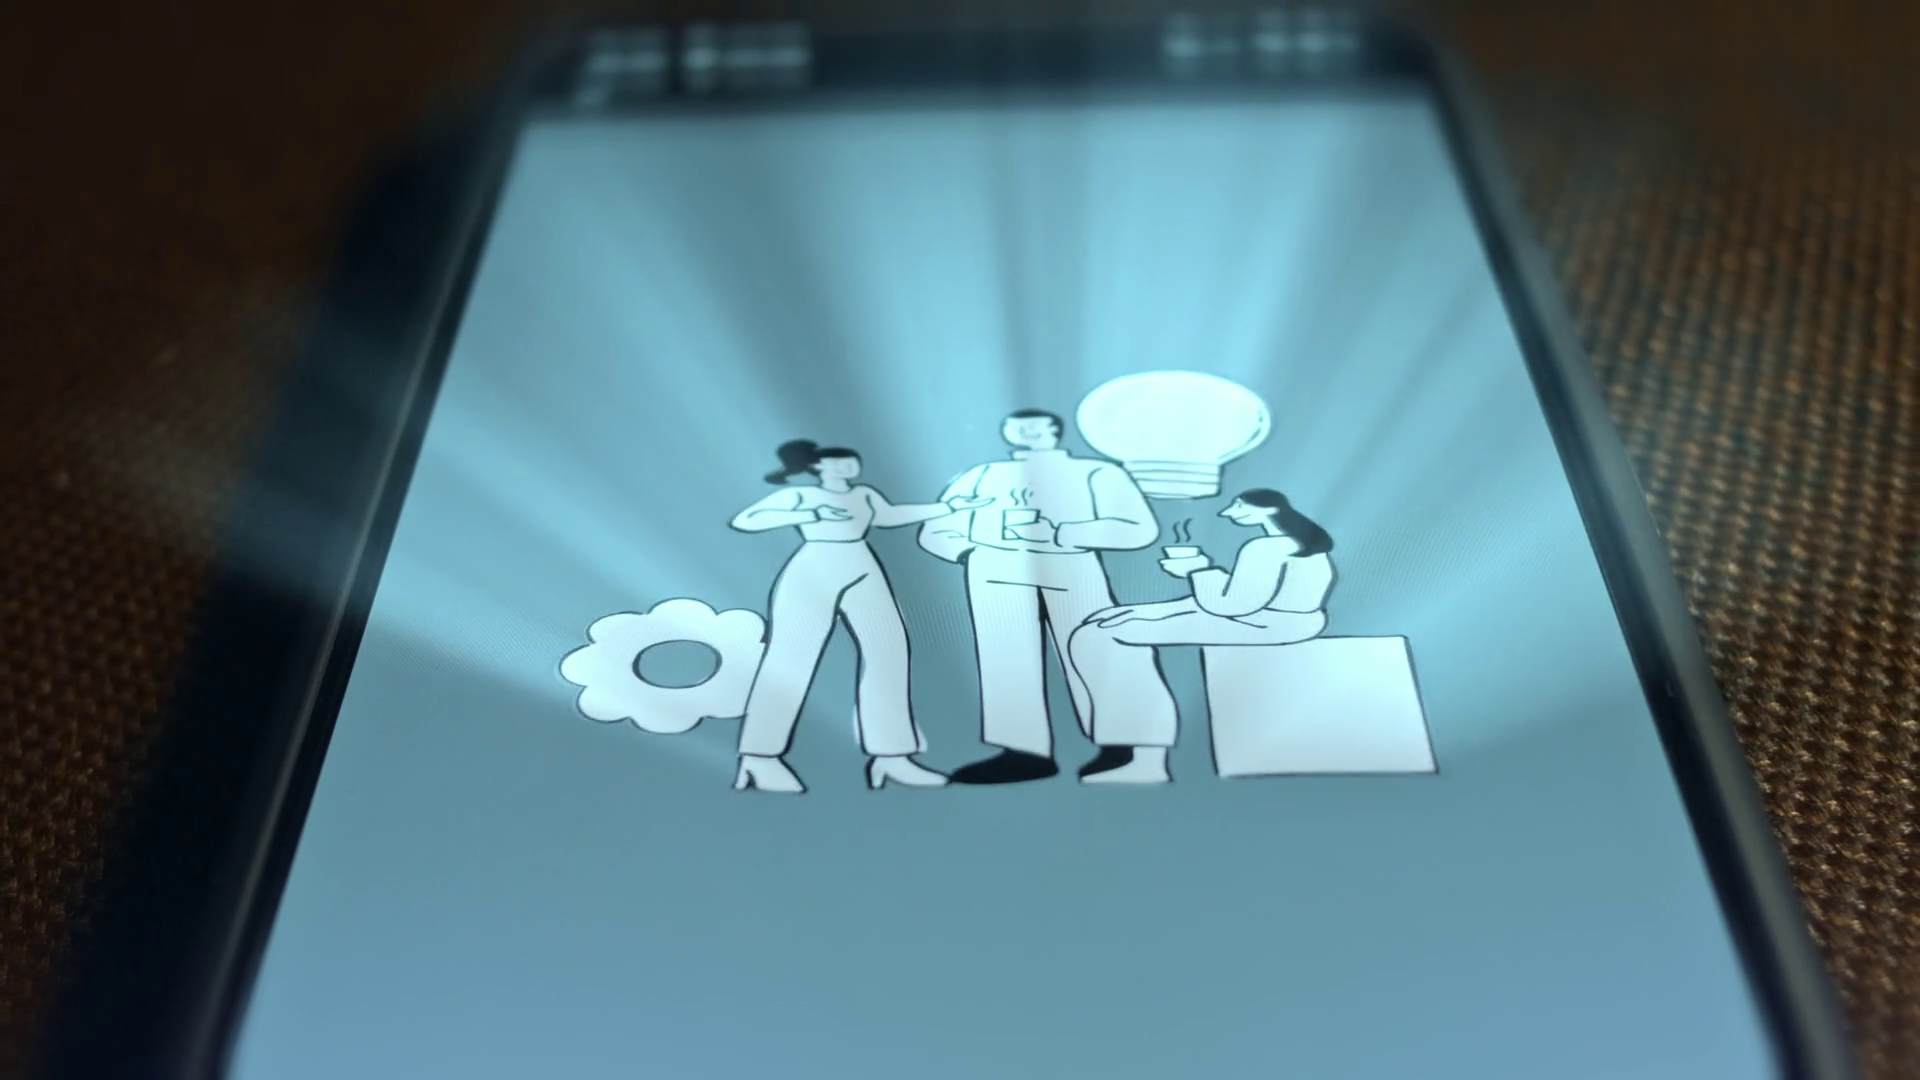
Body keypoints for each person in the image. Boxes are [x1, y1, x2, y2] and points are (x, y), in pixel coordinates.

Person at [730, 440, 991, 794]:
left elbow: (890, 515)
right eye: (837, 463)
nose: (846, 468)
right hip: (813, 566)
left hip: (862, 564)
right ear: (817, 467)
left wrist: (947, 508)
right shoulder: (801, 495)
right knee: (791, 656)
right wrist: (808, 515)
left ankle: (892, 756)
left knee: (888, 651)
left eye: (850, 462)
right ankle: (759, 757)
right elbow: (746, 520)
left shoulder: (864, 494)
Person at [919, 409, 1160, 784]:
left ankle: (1119, 742)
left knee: (1092, 647)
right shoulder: (983, 475)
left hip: (1072, 567)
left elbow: (1137, 528)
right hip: (995, 570)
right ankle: (1023, 751)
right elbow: (936, 527)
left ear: (1055, 430)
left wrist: (1063, 534)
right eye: (1017, 427)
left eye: (1036, 426)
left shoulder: (1096, 473)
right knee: (1005, 657)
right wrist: (972, 551)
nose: (1027, 432)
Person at [1067, 488, 1336, 784]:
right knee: (1106, 627)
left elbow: (1231, 605)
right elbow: (1239, 599)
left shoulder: (1265, 548)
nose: (1228, 512)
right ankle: (1134, 748)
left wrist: (1196, 570)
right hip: (1271, 620)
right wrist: (1142, 611)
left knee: (1099, 637)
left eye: (1239, 506)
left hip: (1269, 625)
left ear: (1270, 509)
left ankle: (1143, 756)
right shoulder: (1292, 544)